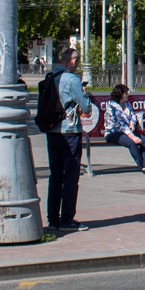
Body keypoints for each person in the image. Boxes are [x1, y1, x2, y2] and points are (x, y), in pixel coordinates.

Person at [47, 48, 93, 231]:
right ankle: (67, 219)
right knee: (71, 176)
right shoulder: (72, 80)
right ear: (73, 61)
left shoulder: (50, 78)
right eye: (78, 62)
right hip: (69, 131)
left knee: (55, 176)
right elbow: (86, 108)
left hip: (52, 132)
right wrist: (83, 95)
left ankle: (52, 219)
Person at [105, 84, 145, 173]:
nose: (127, 95)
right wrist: (133, 137)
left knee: (144, 140)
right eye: (125, 93)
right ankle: (142, 166)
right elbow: (120, 125)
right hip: (114, 133)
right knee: (132, 143)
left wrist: (132, 123)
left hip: (127, 131)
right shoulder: (112, 107)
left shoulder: (127, 104)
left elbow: (133, 116)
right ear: (120, 94)